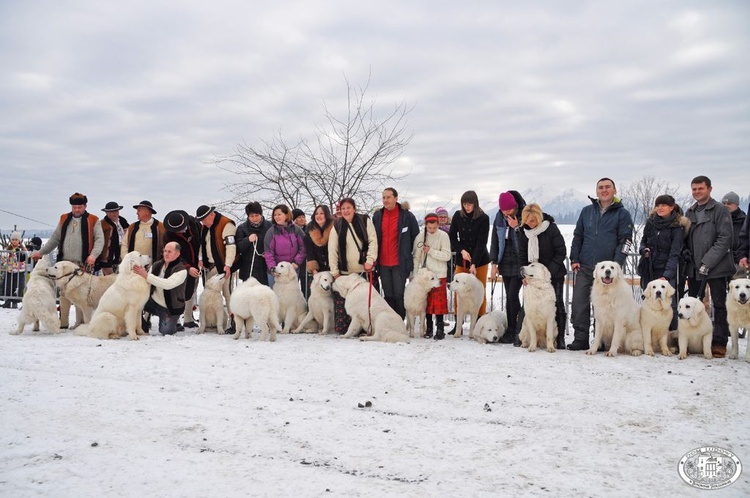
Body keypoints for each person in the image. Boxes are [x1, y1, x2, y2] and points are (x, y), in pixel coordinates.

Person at [568, 178, 634, 351]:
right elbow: (578, 236)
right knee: (579, 304)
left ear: (615, 190)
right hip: (586, 267)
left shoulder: (622, 214)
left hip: (610, 271)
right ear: (596, 191)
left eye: (608, 187)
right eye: (601, 187)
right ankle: (580, 339)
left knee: (607, 307)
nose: (604, 190)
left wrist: (617, 265)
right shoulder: (586, 211)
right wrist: (574, 258)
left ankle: (604, 341)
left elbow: (626, 240)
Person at [32, 192, 104, 328]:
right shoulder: (64, 218)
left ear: (85, 206)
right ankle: (63, 322)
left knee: (80, 294)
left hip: (82, 263)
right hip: (64, 264)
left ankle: (80, 323)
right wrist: (41, 252)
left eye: (80, 207)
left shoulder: (94, 220)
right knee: (64, 294)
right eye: (74, 207)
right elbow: (54, 239)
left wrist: (93, 255)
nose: (77, 210)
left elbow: (100, 240)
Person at [685, 176, 735, 357]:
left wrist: (708, 262)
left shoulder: (720, 210)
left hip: (717, 267)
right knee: (692, 304)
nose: (697, 192)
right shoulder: (689, 212)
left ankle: (719, 343)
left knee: (719, 305)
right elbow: (686, 237)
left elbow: (725, 239)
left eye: (700, 189)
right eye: (694, 189)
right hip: (694, 267)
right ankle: (694, 341)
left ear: (710, 189)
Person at [518, 204, 568, 349]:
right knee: (529, 306)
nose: (530, 223)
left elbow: (561, 251)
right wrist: (523, 274)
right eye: (527, 220)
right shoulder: (523, 232)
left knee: (557, 304)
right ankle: (525, 337)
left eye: (533, 220)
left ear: (539, 218)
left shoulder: (551, 228)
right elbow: (521, 255)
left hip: (554, 273)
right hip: (532, 276)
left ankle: (559, 339)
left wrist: (547, 272)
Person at [637, 195, 690, 330]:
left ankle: (672, 335)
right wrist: (644, 250)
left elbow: (674, 253)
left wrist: (666, 276)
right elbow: (643, 241)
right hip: (649, 268)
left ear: (671, 207)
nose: (660, 208)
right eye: (658, 205)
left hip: (669, 271)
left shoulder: (678, 226)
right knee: (649, 302)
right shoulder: (651, 222)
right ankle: (649, 335)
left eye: (664, 205)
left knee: (669, 304)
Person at [328, 197, 378, 334]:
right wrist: (335, 272)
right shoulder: (337, 225)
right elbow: (332, 250)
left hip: (365, 271)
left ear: (354, 209)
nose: (345, 211)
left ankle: (368, 328)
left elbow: (373, 241)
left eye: (348, 208)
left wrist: (370, 259)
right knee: (342, 326)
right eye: (343, 208)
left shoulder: (364, 220)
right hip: (346, 275)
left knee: (367, 307)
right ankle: (349, 329)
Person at [371, 187, 420, 319]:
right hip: (383, 263)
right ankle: (390, 321)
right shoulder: (377, 216)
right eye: (384, 198)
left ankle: (400, 321)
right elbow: (372, 237)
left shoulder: (407, 216)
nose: (385, 200)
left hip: (400, 263)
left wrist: (410, 256)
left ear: (396, 198)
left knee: (399, 295)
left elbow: (416, 238)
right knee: (388, 295)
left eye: (388, 197)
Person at [448, 190, 490, 334]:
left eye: (469, 204)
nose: (467, 207)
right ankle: (457, 325)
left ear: (475, 204)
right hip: (462, 259)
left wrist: (474, 264)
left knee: (480, 291)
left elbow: (481, 242)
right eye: (464, 204)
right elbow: (452, 237)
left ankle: (479, 323)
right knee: (457, 290)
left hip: (480, 260)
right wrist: (461, 250)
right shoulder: (458, 216)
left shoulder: (484, 218)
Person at [490, 191, 526, 345]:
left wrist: (516, 226)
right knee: (509, 296)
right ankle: (512, 328)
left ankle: (517, 329)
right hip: (505, 259)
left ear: (515, 207)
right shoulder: (499, 217)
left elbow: (527, 239)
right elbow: (495, 241)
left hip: (520, 259)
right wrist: (494, 263)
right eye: (504, 212)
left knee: (512, 295)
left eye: (509, 211)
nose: (506, 214)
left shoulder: (524, 213)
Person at [196, 205, 237, 333]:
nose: (203, 222)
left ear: (211, 215)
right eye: (201, 220)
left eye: (204, 219)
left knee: (228, 294)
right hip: (210, 266)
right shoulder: (205, 227)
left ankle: (233, 322)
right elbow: (203, 245)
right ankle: (208, 322)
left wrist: (228, 265)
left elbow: (231, 246)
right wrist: (200, 258)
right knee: (209, 294)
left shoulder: (226, 224)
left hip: (224, 266)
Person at [133, 241, 188, 336]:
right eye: (165, 251)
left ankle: (173, 321)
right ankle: (143, 325)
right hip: (153, 301)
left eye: (169, 252)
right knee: (134, 301)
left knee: (166, 331)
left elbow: (168, 284)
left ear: (177, 254)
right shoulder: (156, 265)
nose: (166, 254)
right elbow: (147, 281)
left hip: (170, 307)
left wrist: (146, 275)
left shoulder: (181, 270)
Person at [412, 213, 452, 339]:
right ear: (426, 226)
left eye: (434, 228)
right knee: (426, 302)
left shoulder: (443, 236)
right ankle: (429, 329)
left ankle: (440, 329)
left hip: (440, 274)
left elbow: (447, 255)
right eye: (429, 228)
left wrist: (431, 251)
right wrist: (414, 273)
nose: (432, 230)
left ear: (438, 225)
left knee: (439, 303)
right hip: (425, 275)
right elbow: (416, 257)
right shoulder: (420, 237)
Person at [163, 210, 202, 329]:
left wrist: (201, 258)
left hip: (195, 262)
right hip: (178, 265)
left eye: (182, 228)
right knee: (176, 292)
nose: (181, 231)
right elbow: (174, 255)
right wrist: (187, 267)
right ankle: (176, 320)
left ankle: (188, 318)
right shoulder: (168, 235)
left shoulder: (195, 224)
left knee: (191, 290)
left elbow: (201, 242)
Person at [264, 204, 306, 288]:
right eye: (275, 215)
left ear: (286, 215)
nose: (276, 217)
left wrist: (297, 263)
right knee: (276, 298)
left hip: (291, 270)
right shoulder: (271, 232)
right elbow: (268, 253)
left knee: (291, 297)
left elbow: (303, 247)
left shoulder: (296, 229)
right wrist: (273, 269)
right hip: (276, 273)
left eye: (279, 214)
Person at [236, 201, 272, 285]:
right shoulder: (242, 228)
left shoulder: (270, 226)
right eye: (252, 216)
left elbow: (276, 244)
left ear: (261, 214)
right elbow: (238, 248)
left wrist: (269, 253)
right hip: (248, 268)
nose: (255, 219)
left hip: (266, 267)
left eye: (257, 215)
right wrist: (247, 240)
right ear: (248, 216)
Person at [98, 201, 129, 275]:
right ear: (106, 213)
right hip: (109, 254)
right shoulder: (102, 224)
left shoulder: (122, 221)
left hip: (123, 251)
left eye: (116, 211)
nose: (114, 213)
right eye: (111, 212)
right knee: (109, 277)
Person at [304, 204, 334, 275]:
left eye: (321, 213)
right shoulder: (309, 231)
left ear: (326, 215)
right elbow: (309, 252)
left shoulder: (334, 229)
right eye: (316, 214)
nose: (318, 216)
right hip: (317, 270)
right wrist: (314, 269)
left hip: (333, 268)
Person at [1, 232, 26, 308]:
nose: (14, 241)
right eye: (13, 239)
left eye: (16, 239)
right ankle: (7, 301)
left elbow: (25, 258)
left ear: (19, 240)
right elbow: (3, 258)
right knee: (8, 285)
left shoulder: (22, 249)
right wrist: (7, 254)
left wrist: (19, 253)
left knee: (17, 286)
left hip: (19, 271)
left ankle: (15, 302)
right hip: (9, 270)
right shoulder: (8, 248)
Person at [721, 191, 746, 266]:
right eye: (724, 204)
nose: (726, 206)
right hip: (722, 261)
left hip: (739, 261)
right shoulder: (719, 220)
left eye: (729, 204)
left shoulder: (744, 221)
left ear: (737, 205)